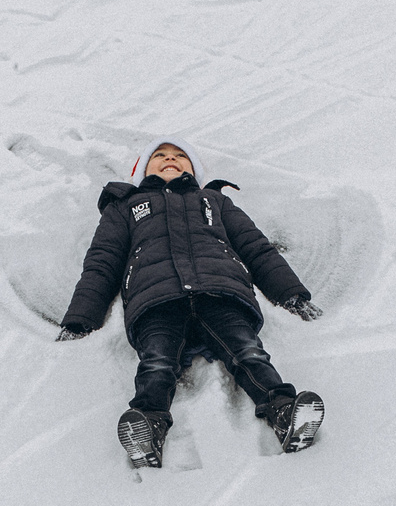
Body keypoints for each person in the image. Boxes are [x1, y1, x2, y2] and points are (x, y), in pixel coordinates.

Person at [59, 141, 326, 467]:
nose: (169, 160)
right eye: (159, 157)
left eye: (179, 157)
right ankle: (148, 427)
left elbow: (257, 248)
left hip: (221, 292)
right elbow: (103, 263)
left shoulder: (214, 200)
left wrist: (290, 294)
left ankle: (284, 412)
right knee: (157, 362)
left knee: (248, 352)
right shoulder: (127, 206)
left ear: (194, 170)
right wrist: (81, 318)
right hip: (156, 300)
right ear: (143, 169)